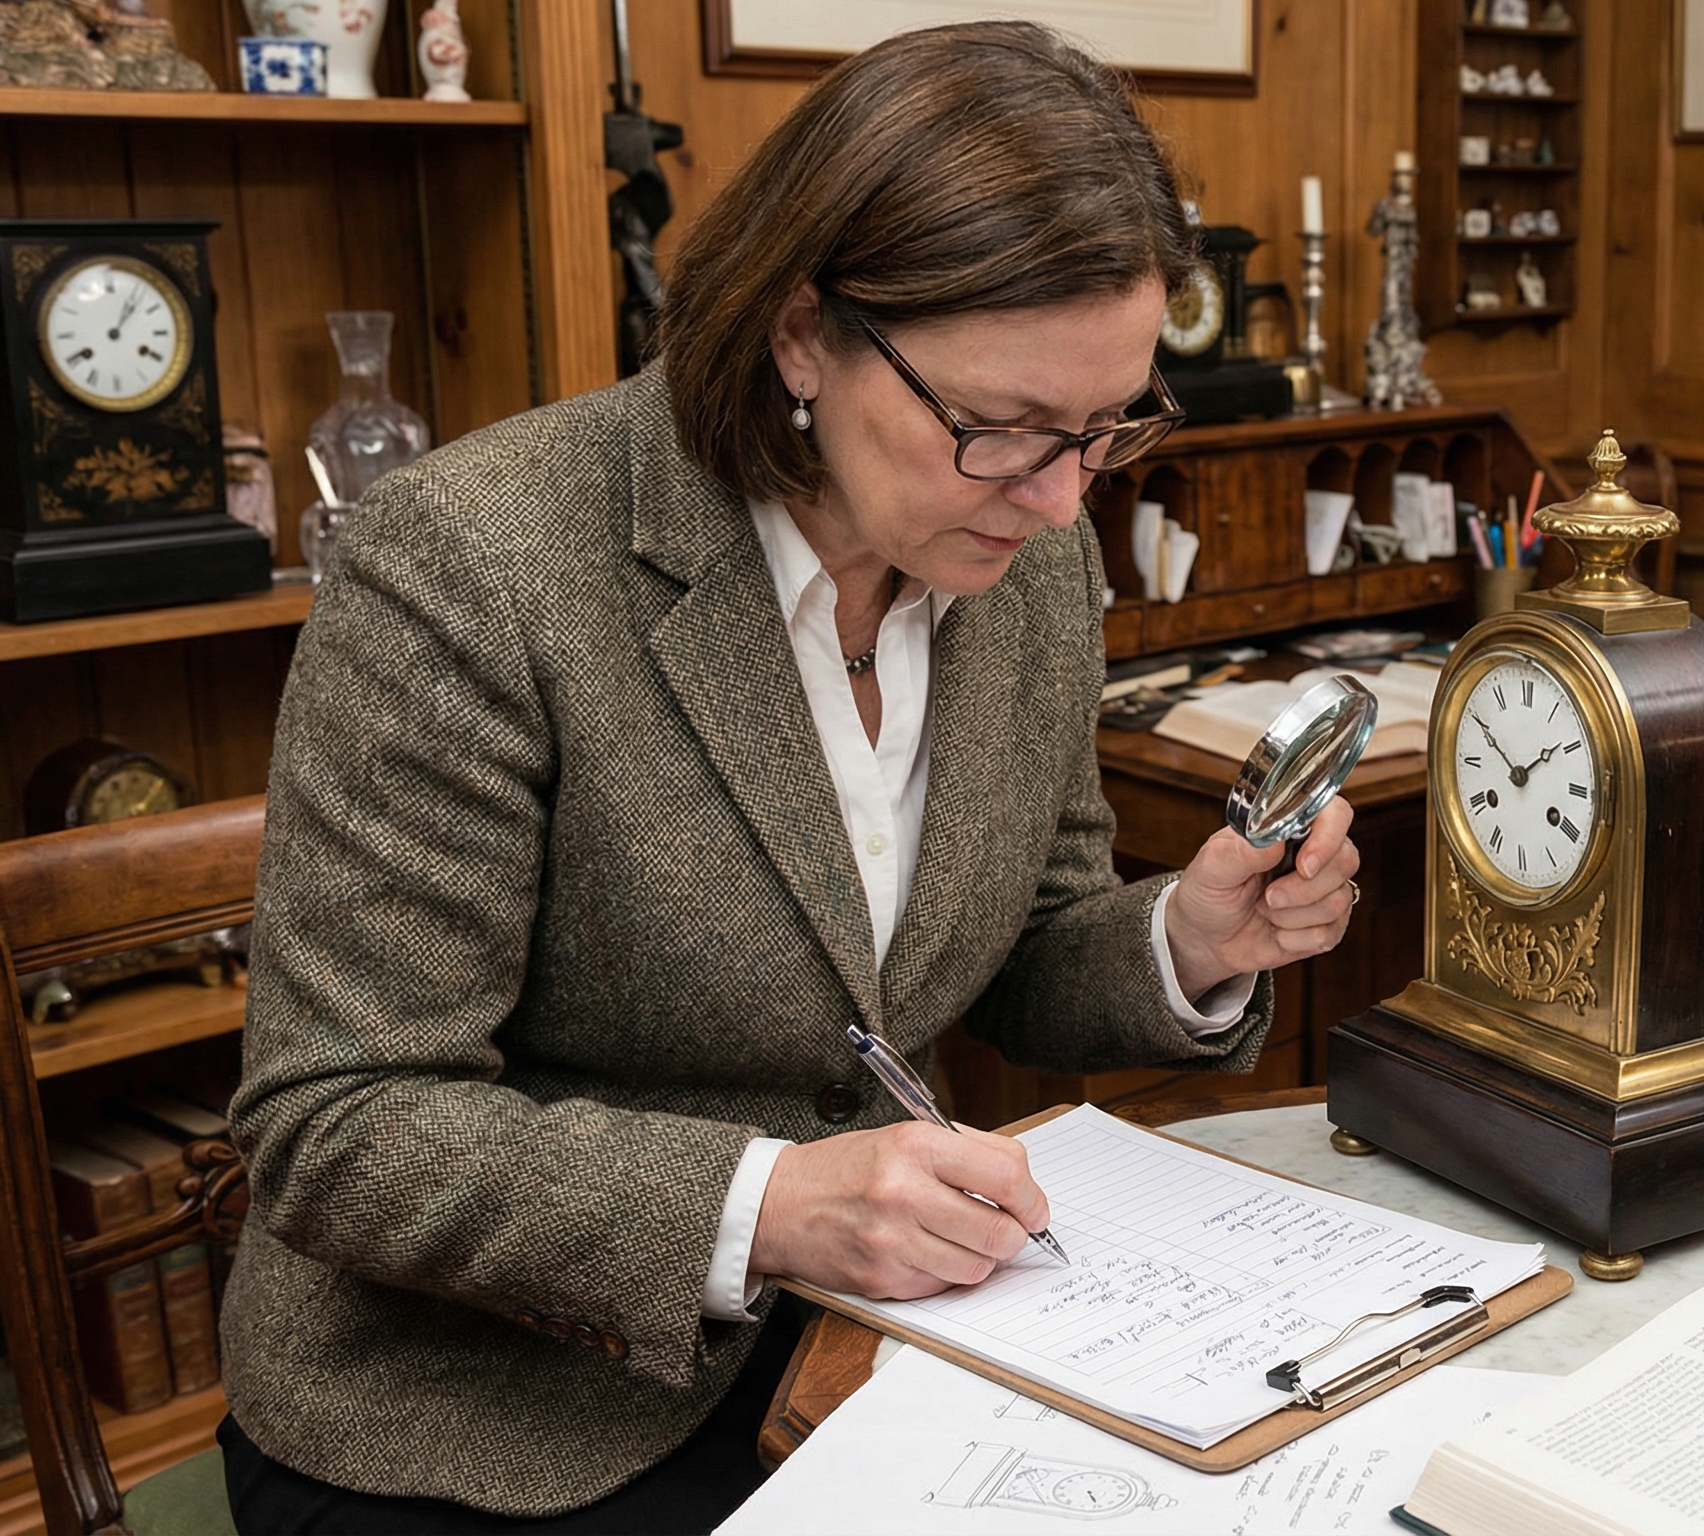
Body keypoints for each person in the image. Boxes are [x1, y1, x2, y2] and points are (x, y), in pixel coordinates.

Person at [213, 22, 1361, 1531]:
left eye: (1104, 429)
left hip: (873, 1336)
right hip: (489, 1405)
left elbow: (1015, 954)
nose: (1064, 495)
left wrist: (1186, 944)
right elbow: (335, 1125)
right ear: (802, 333)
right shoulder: (476, 566)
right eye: (1001, 428)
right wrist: (767, 1206)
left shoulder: (1029, 561)